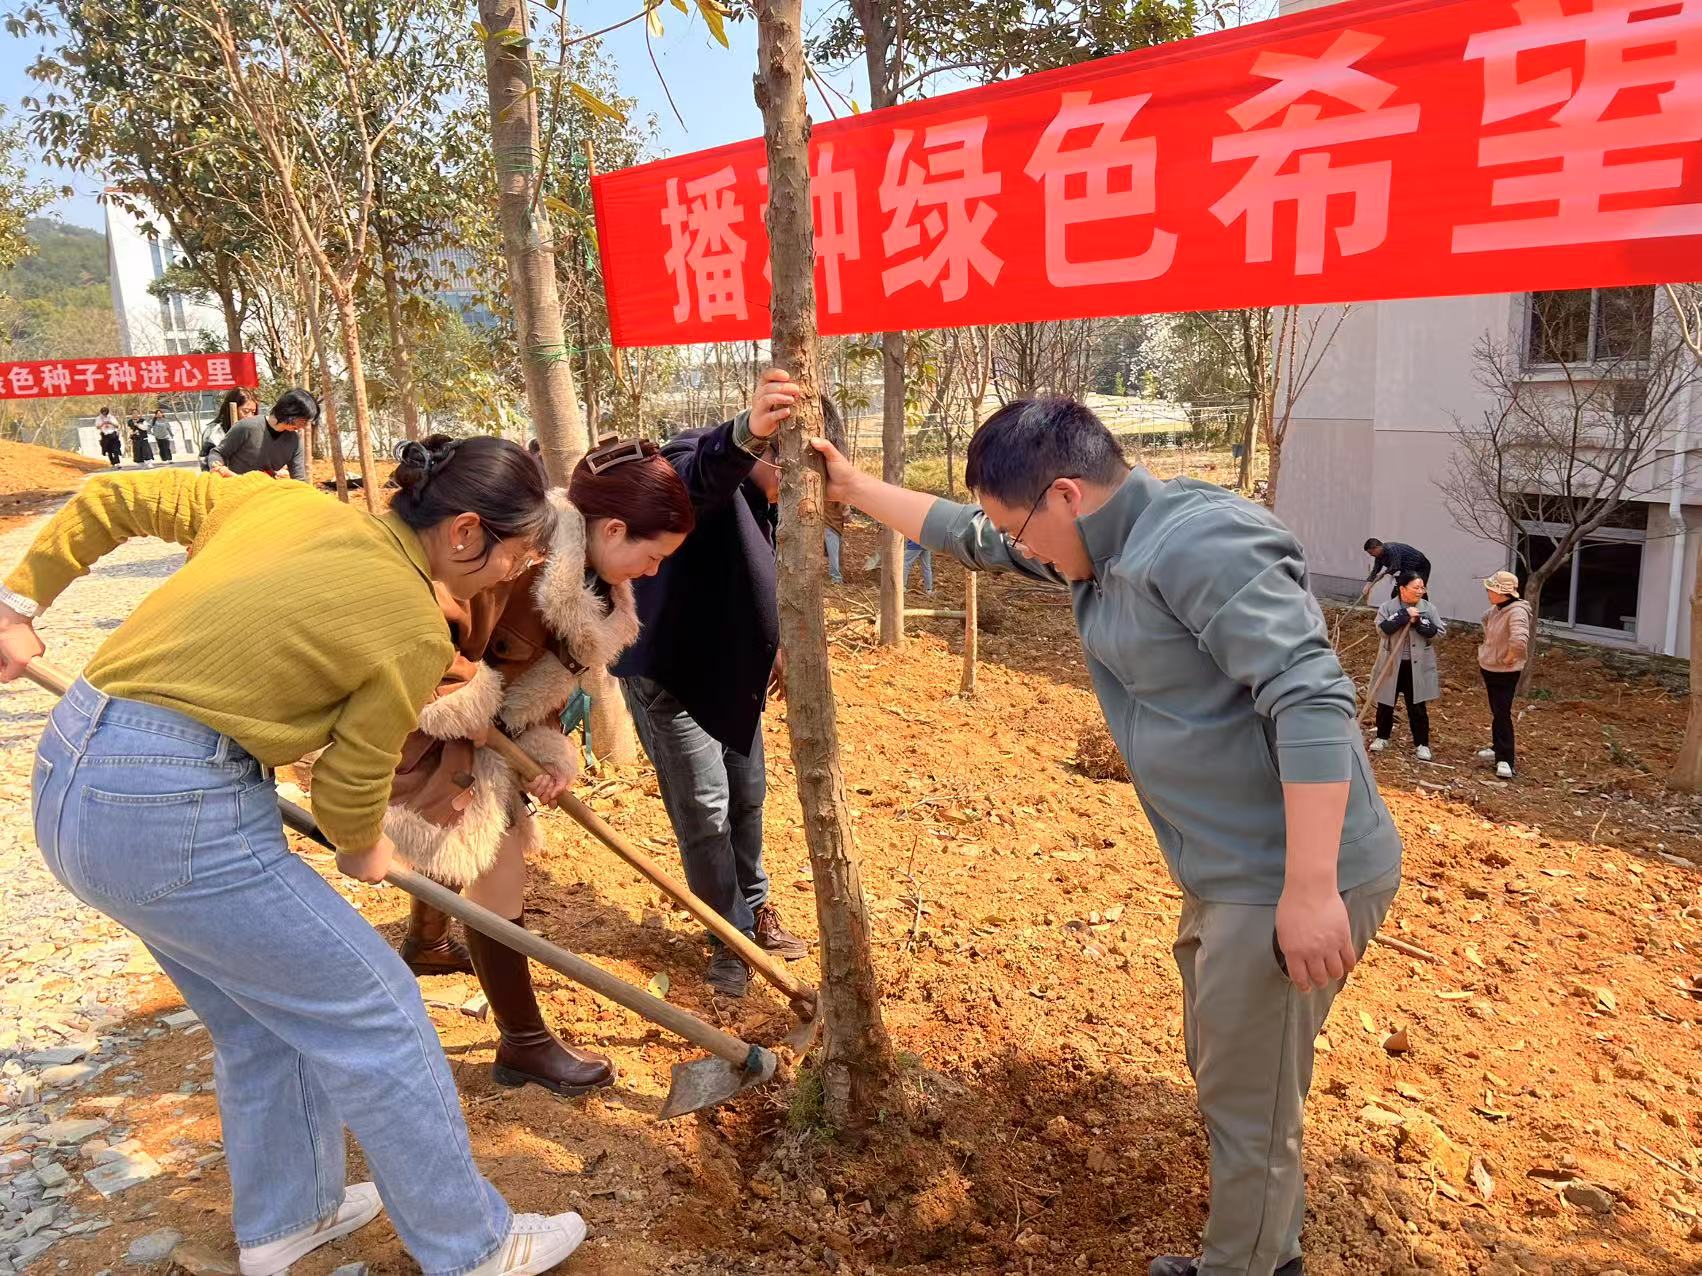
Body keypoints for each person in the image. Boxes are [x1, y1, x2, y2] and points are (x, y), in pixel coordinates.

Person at [810, 394, 1401, 1276]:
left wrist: (1312, 889)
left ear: (1066, 495)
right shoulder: (1097, 545)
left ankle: (1248, 1267)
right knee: (1234, 1076)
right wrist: (854, 488)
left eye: (1022, 528)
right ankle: (1264, 1251)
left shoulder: (1199, 543)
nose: (1018, 549)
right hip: (1230, 871)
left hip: (1289, 871)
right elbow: (969, 535)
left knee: (1252, 1105)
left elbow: (1312, 697)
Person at [0, 440, 590, 1276]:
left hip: (73, 776)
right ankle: (474, 1247)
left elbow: (111, 500)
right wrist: (365, 850)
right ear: (465, 533)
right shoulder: (409, 620)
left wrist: (16, 602)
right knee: (381, 1011)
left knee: (258, 1019)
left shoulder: (284, 503)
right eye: (516, 556)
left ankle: (289, 1217)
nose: (511, 575)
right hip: (173, 807)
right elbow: (351, 781)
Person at [387, 436, 695, 1097]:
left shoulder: (594, 587)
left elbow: (538, 685)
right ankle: (523, 1044)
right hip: (415, 716)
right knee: (495, 865)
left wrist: (547, 753)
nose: (650, 572)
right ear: (612, 530)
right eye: (651, 556)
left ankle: (426, 941)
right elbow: (422, 621)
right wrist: (457, 695)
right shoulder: (518, 558)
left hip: (490, 729)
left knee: (463, 841)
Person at [612, 371, 816, 997]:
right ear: (772, 451)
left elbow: (753, 576)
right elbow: (693, 480)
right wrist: (745, 434)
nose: (807, 488)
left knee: (747, 795)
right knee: (705, 811)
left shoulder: (772, 498)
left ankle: (755, 909)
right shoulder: (696, 458)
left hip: (732, 675)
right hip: (673, 677)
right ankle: (730, 938)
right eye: (800, 470)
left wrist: (772, 646)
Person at [1369, 572, 1445, 761]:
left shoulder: (1428, 609)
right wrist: (1402, 616)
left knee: (1417, 705)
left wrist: (1419, 622)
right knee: (1385, 702)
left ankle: (1422, 744)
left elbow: (1439, 633)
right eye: (1416, 587)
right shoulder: (1388, 607)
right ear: (1402, 589)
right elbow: (1382, 630)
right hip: (1391, 664)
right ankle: (1382, 737)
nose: (1420, 591)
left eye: (1422, 587)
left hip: (1416, 666)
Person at [1476, 570, 1531, 780]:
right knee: (1497, 711)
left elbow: (1519, 640)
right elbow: (1485, 619)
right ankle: (1497, 746)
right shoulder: (1497, 608)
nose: (1488, 593)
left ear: (1501, 592)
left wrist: (1509, 658)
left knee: (1502, 713)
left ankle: (1505, 759)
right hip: (1490, 667)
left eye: (1491, 590)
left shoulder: (1517, 612)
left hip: (1505, 671)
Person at [209, 388, 316, 481]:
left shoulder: (295, 441)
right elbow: (217, 453)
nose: (303, 425)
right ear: (289, 411)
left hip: (266, 492)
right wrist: (220, 469)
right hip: (237, 489)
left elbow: (299, 479)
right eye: (303, 420)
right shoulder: (247, 427)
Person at [201, 389, 258, 471]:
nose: (250, 417)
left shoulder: (255, 431)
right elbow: (207, 463)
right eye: (246, 411)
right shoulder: (215, 433)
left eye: (253, 412)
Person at [1359, 537, 1431, 601]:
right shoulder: (1379, 556)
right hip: (1407, 569)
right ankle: (1401, 611)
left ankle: (1425, 610)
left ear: (1377, 547)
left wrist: (1382, 574)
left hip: (1420, 566)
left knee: (1418, 590)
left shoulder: (1392, 549)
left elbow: (1395, 567)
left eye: (1371, 552)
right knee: (1396, 593)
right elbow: (1375, 570)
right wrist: (1367, 585)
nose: (1371, 555)